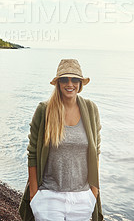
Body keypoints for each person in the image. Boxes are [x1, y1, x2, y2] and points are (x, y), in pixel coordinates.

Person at [19, 59, 103, 221]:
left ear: (80, 83)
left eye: (74, 79)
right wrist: (34, 195)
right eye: (65, 79)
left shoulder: (91, 109)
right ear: (58, 83)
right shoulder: (44, 110)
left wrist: (93, 193)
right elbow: (32, 154)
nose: (69, 84)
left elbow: (96, 152)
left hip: (83, 199)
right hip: (49, 197)